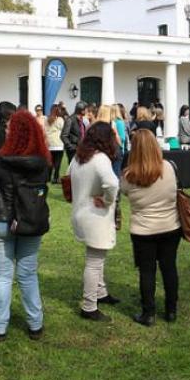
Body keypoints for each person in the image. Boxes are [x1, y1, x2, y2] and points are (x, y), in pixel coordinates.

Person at [0, 110, 50, 341]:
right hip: (30, 221)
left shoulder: (1, 160)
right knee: (28, 274)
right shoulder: (42, 162)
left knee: (3, 277)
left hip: (1, 221)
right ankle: (35, 323)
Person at [120, 130, 182, 326]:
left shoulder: (129, 176)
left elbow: (125, 194)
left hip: (143, 230)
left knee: (147, 272)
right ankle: (171, 309)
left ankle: (149, 313)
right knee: (169, 268)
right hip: (170, 226)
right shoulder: (170, 168)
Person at [69, 122, 121, 321]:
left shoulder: (79, 157)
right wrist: (107, 201)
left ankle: (101, 292)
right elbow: (112, 184)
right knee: (94, 262)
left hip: (81, 213)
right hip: (94, 216)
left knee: (96, 258)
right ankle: (89, 306)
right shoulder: (100, 159)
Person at [44, 104, 65, 183]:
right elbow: (63, 129)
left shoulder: (46, 119)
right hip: (58, 143)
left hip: (50, 143)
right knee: (57, 163)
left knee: (50, 162)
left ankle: (48, 177)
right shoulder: (60, 119)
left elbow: (45, 129)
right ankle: (55, 178)